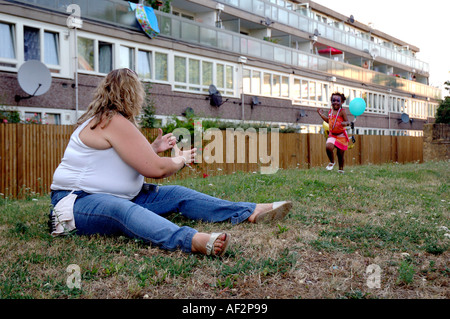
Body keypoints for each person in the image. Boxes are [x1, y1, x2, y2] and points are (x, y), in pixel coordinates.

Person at [49, 68, 292, 257]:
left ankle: (249, 211)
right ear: (133, 94)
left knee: (178, 194)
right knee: (120, 210)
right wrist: (181, 159)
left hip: (119, 196)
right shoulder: (111, 120)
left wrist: (153, 149)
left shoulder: (111, 121)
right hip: (75, 202)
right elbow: (156, 169)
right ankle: (191, 240)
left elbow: (121, 160)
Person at [317, 93, 352, 173]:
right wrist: (321, 114)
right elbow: (328, 121)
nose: (335, 102)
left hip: (341, 136)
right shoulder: (330, 111)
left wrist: (345, 123)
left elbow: (348, 121)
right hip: (332, 135)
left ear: (342, 102)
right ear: (331, 101)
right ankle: (332, 162)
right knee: (328, 147)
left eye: (338, 101)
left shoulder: (342, 112)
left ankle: (340, 169)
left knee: (340, 155)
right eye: (333, 100)